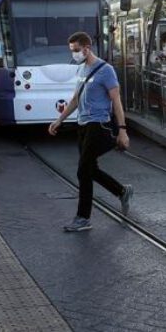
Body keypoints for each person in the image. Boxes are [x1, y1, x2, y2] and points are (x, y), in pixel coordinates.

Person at [49, 31, 133, 232]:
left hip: (99, 124)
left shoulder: (106, 70)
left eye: (77, 50)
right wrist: (59, 120)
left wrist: (122, 130)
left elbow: (116, 100)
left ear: (87, 48)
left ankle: (83, 218)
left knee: (82, 170)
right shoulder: (81, 70)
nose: (74, 54)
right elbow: (76, 99)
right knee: (90, 169)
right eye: (72, 51)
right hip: (83, 125)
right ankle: (121, 191)